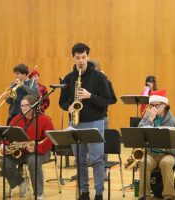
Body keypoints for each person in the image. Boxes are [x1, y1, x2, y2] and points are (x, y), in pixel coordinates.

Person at [59, 43, 111, 200]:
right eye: (77, 57)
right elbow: (61, 102)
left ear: (88, 56)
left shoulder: (99, 77)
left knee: (96, 159)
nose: (80, 60)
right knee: (80, 160)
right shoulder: (69, 78)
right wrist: (68, 107)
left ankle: (99, 194)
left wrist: (90, 96)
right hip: (75, 123)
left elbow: (108, 100)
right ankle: (84, 192)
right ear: (73, 58)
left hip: (95, 122)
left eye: (83, 57)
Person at [0, 95, 54, 200]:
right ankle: (21, 182)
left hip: (40, 152)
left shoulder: (45, 119)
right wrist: (3, 144)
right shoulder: (16, 119)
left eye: (26, 105)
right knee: (4, 162)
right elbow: (6, 135)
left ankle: (38, 193)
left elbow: (49, 141)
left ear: (34, 106)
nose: (23, 108)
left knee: (33, 161)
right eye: (22, 106)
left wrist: (35, 148)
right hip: (21, 151)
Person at [0, 64, 40, 177]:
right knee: (10, 139)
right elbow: (10, 102)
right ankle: (9, 164)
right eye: (15, 74)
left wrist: (22, 86)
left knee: (22, 140)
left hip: (27, 116)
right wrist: (7, 97)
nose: (16, 76)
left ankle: (20, 166)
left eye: (18, 74)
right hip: (14, 114)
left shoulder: (32, 83)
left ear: (25, 74)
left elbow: (36, 95)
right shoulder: (13, 84)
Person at [138, 90, 175, 200]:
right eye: (152, 105)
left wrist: (164, 148)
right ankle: (144, 196)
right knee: (144, 162)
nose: (154, 107)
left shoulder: (173, 121)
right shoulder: (148, 116)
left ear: (165, 105)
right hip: (151, 153)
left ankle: (169, 195)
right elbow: (140, 132)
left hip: (167, 154)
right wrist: (150, 120)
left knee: (166, 163)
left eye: (157, 105)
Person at [90, 59, 117, 181]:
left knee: (102, 144)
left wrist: (100, 101)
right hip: (86, 117)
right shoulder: (85, 81)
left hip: (101, 117)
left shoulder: (105, 80)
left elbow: (112, 99)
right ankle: (84, 170)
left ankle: (103, 171)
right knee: (86, 145)